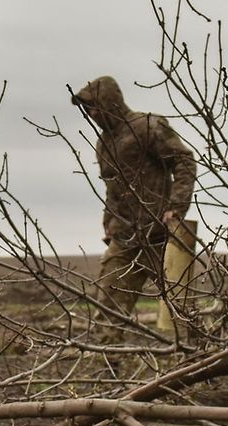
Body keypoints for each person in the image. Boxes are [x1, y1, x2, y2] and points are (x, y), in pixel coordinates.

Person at [71, 76, 197, 324]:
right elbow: (112, 187)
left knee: (180, 311)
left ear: (110, 102)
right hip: (125, 237)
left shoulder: (147, 126)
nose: (92, 113)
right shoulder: (104, 143)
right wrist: (109, 222)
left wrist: (176, 207)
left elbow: (184, 161)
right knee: (107, 308)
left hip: (161, 235)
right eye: (88, 109)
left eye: (95, 106)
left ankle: (199, 358)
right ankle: (108, 360)